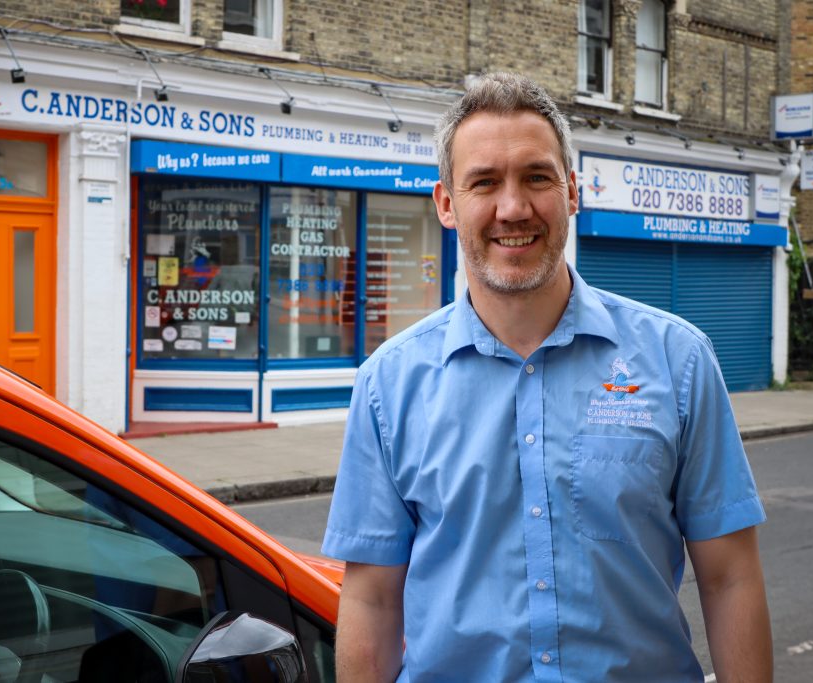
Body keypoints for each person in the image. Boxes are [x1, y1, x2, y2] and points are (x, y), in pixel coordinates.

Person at [321, 72, 772, 682]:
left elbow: (729, 577)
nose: (514, 208)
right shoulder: (388, 386)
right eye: (484, 182)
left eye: (537, 177)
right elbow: (372, 599)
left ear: (573, 193)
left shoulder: (677, 360)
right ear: (447, 205)